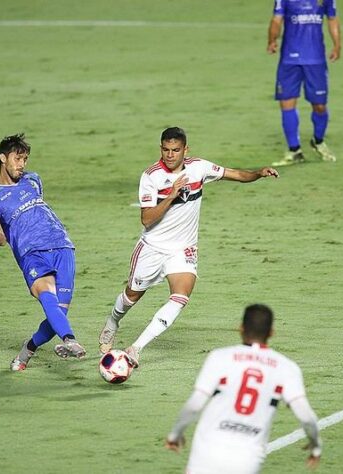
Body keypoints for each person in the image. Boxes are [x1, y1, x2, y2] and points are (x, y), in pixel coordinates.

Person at [98, 127, 279, 368]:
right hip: (152, 248)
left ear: (186, 150)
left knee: (180, 297)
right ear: (160, 148)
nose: (170, 155)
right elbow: (147, 219)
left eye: (175, 150)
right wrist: (171, 195)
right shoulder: (150, 177)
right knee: (131, 297)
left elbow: (234, 174)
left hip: (182, 249)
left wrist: (258, 173)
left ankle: (136, 348)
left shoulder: (199, 168)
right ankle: (112, 323)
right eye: (165, 150)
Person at [0, 133, 86, 371]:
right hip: (31, 252)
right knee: (46, 294)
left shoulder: (33, 180)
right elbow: (0, 238)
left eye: (25, 159)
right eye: (17, 159)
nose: (22, 164)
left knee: (58, 314)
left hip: (62, 245)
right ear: (2, 158)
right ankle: (69, 340)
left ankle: (27, 350)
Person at [165, 304, 323, 473]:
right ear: (271, 333)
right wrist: (315, 444)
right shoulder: (286, 367)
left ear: (240, 328)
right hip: (246, 458)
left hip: (208, 449)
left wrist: (176, 434)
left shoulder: (220, 357)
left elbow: (195, 404)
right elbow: (306, 417)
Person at [267, 0, 341, 165]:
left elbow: (332, 18)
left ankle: (318, 141)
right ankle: (294, 150)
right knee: (286, 103)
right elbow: (276, 20)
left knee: (320, 105)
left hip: (315, 60)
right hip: (289, 59)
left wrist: (337, 44)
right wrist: (272, 39)